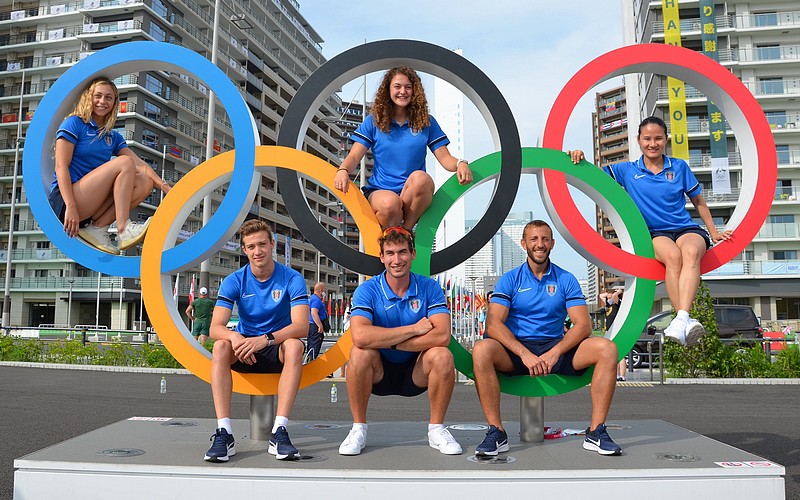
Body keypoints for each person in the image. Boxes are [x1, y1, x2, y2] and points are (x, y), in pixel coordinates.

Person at [569, 116, 732, 346]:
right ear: (638, 140)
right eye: (647, 139)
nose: (652, 143)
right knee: (673, 257)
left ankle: (681, 319)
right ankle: (684, 319)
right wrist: (579, 157)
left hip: (686, 228)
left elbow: (698, 201)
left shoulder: (679, 166)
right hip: (656, 233)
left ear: (666, 140)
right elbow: (593, 176)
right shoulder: (627, 170)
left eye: (658, 138)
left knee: (692, 253)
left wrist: (714, 232)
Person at [472, 220, 622, 456]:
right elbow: (493, 324)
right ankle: (496, 432)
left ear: (552, 243)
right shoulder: (510, 279)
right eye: (534, 239)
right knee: (481, 349)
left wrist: (555, 352)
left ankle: (596, 432)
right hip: (517, 350)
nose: (539, 244)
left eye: (544, 239)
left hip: (555, 346)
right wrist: (525, 354)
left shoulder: (566, 279)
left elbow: (583, 325)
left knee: (607, 349)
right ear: (524, 244)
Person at [338, 226, 462, 456]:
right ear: (382, 257)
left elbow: (442, 335)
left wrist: (388, 340)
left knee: (443, 356)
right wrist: (414, 329)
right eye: (391, 253)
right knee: (359, 353)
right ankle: (358, 429)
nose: (397, 260)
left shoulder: (429, 287)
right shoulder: (367, 289)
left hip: (416, 370)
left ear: (413, 254)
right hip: (379, 371)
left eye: (403, 252)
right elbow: (361, 336)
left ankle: (436, 429)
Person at [204, 220, 309, 462]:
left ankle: (279, 431)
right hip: (244, 348)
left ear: (272, 245)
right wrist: (236, 337)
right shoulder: (234, 280)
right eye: (251, 246)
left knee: (295, 345)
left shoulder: (292, 278)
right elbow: (215, 328)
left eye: (262, 244)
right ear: (244, 250)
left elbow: (301, 326)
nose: (257, 251)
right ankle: (224, 432)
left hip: (274, 346)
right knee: (220, 345)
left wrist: (265, 340)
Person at [333, 67, 473, 230]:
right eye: (397, 86)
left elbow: (445, 159)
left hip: (412, 198)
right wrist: (342, 170)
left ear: (415, 91)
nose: (403, 91)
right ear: (388, 90)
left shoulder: (426, 122)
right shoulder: (373, 122)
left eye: (408, 87)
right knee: (390, 203)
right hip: (381, 195)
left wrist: (460, 163)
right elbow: (354, 157)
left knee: (422, 178)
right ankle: (390, 238)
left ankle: (406, 231)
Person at [50, 77, 170, 255]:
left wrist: (164, 186)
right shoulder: (74, 123)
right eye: (97, 96)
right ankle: (123, 229)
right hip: (67, 201)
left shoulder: (112, 137)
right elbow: (61, 167)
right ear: (88, 97)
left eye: (108, 97)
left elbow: (141, 165)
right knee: (124, 163)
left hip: (90, 206)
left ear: (115, 102)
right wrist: (71, 206)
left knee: (144, 181)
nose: (102, 101)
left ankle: (97, 229)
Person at [599, 286, 626, 381]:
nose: (609, 295)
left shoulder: (617, 303)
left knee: (621, 354)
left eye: (610, 293)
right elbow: (600, 295)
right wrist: (608, 293)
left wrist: (617, 292)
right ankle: (617, 375)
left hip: (617, 330)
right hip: (610, 330)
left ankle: (622, 375)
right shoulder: (608, 304)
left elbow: (615, 296)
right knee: (614, 354)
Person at [307, 282, 330, 361]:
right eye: (324, 290)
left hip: (311, 325)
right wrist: (320, 325)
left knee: (311, 346)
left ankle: (309, 361)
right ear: (320, 290)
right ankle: (311, 363)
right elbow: (314, 313)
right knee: (314, 347)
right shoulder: (316, 300)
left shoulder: (312, 298)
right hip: (315, 327)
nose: (325, 292)